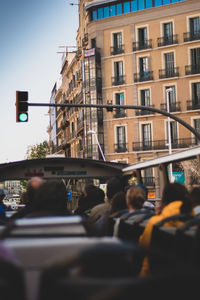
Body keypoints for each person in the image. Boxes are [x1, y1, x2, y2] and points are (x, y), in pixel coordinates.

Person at [139, 182, 193, 277]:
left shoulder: (155, 223)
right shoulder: (194, 223)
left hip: (155, 280)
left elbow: (142, 246)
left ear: (165, 199)